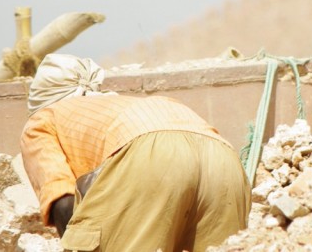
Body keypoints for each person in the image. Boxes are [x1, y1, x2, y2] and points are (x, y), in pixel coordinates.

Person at [19, 53, 251, 252]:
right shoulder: (121, 105)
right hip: (223, 158)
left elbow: (63, 204)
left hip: (150, 153)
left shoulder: (42, 120)